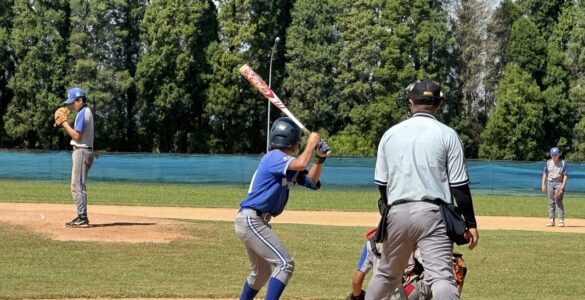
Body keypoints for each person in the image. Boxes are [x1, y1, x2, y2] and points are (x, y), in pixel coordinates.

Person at [366, 79, 479, 300]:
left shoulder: (390, 134)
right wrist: (471, 224)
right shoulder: (448, 134)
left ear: (410, 102)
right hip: (433, 214)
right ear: (439, 104)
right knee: (441, 278)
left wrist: (388, 214)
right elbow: (459, 186)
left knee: (386, 275)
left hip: (397, 212)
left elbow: (382, 184)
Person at [234, 117, 329, 299]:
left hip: (253, 221)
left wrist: (320, 159)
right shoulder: (274, 157)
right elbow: (301, 163)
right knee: (285, 264)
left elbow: (311, 181)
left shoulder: (284, 163)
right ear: (293, 141)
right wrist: (311, 144)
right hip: (251, 220)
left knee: (261, 274)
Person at [59, 87, 95, 228]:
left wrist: (64, 123)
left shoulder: (82, 113)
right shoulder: (88, 112)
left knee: (77, 185)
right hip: (86, 150)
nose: (71, 105)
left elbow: (77, 136)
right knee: (78, 184)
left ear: (80, 100)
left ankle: (82, 217)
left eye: (73, 102)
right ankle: (81, 216)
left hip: (81, 151)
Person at [541, 147, 569, 227]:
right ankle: (551, 220)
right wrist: (543, 184)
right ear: (550, 155)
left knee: (558, 202)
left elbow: (565, 175)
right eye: (552, 154)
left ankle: (561, 220)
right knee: (551, 202)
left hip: (559, 183)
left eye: (555, 155)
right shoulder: (548, 162)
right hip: (550, 183)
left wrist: (562, 186)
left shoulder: (563, 163)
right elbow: (545, 173)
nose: (554, 156)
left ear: (559, 155)